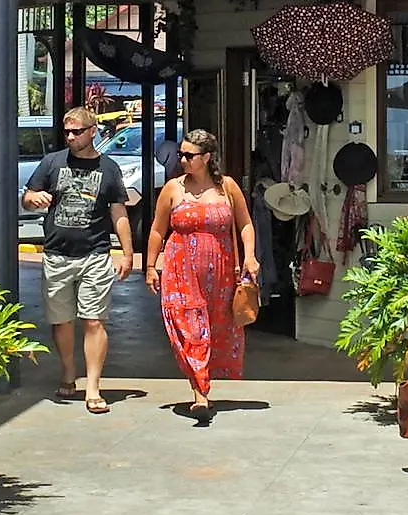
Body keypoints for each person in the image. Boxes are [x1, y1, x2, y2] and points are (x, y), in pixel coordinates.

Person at [21, 106, 134, 414]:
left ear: (92, 131)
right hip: (57, 254)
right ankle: (69, 370)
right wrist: (34, 200)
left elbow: (118, 213)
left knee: (94, 320)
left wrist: (126, 253)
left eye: (77, 132)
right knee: (61, 321)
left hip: (95, 254)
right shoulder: (52, 162)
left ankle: (94, 386)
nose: (70, 137)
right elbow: (27, 197)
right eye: (67, 132)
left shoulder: (108, 169)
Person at [144, 129, 258, 424]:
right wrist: (150, 266)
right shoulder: (173, 189)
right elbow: (158, 230)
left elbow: (245, 224)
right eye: (181, 154)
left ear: (206, 158)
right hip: (180, 269)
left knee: (215, 327)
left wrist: (250, 256)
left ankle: (203, 384)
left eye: (188, 155)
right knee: (189, 327)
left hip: (221, 271)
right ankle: (200, 393)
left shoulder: (227, 188)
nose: (182, 160)